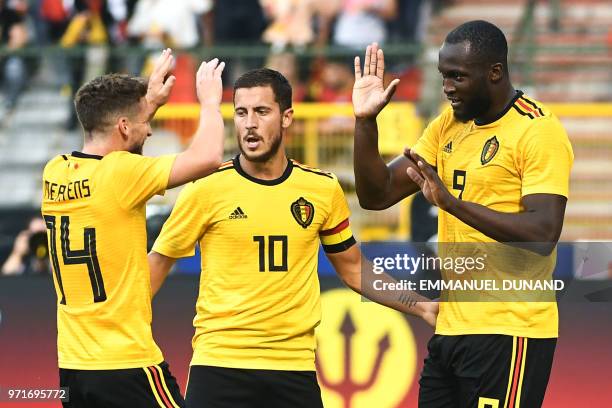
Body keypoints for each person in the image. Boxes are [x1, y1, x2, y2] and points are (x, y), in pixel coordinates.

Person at [148, 68, 438, 408]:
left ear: (287, 117)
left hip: (293, 369)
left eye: (261, 111)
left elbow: (354, 268)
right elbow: (156, 266)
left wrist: (420, 306)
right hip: (219, 366)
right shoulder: (205, 189)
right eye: (241, 113)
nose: (249, 123)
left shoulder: (321, 189)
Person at [352, 21, 573, 408]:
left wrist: (451, 204)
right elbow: (377, 194)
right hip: (451, 327)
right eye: (443, 75)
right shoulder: (446, 126)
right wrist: (365, 121)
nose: (447, 87)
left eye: (457, 76)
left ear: (494, 73)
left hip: (510, 328)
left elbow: (543, 232)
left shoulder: (537, 131)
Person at [40, 49, 225, 408]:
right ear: (124, 126)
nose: (151, 128)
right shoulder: (122, 173)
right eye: (145, 122)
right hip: (126, 363)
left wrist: (148, 104)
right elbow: (208, 158)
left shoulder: (54, 171)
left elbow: (117, 147)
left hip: (73, 366)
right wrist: (211, 104)